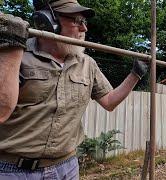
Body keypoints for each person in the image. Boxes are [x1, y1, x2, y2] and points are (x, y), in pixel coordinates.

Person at [0, 0, 148, 179]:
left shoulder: (87, 64)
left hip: (67, 168)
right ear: (47, 21)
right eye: (77, 21)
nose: (84, 29)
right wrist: (11, 51)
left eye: (85, 22)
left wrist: (135, 75)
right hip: (12, 171)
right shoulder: (16, 54)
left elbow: (109, 102)